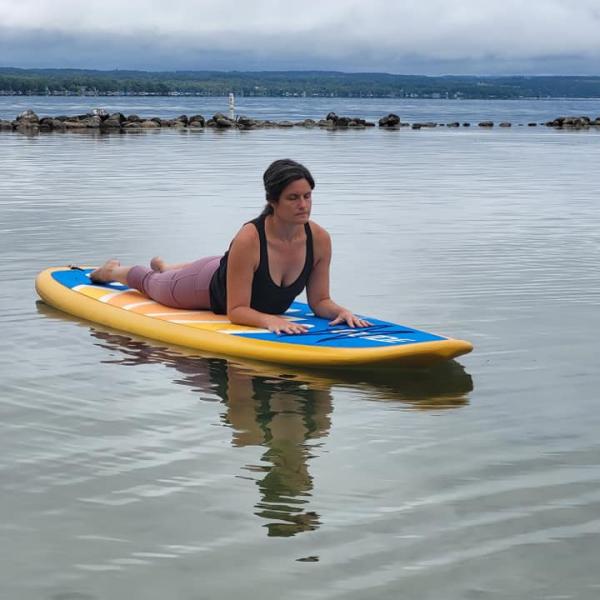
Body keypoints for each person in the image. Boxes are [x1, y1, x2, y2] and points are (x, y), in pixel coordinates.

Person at [90, 159, 370, 335]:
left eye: (308, 196)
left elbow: (319, 301)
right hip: (204, 287)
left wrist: (339, 311)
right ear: (272, 201)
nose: (303, 205)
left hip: (229, 266)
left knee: (212, 263)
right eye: (293, 198)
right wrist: (269, 321)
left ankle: (168, 265)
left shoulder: (319, 239)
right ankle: (114, 271)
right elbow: (236, 311)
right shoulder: (250, 239)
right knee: (155, 284)